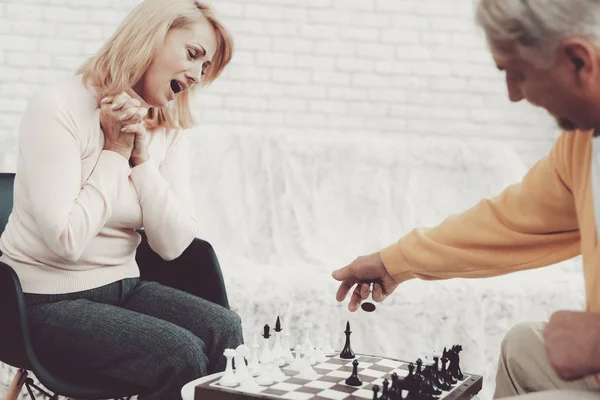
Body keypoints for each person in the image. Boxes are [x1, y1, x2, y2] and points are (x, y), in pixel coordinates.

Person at [332, 1, 600, 399]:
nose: (513, 95)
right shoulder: (581, 144)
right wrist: (394, 262)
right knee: (522, 346)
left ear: (578, 61)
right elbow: (506, 222)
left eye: (517, 74)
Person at [0, 0, 242, 398]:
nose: (197, 75)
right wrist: (114, 150)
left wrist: (141, 160)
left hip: (122, 284)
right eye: (194, 55)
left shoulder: (167, 127)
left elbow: (173, 245)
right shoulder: (58, 105)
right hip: (36, 302)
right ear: (150, 35)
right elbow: (65, 242)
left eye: (205, 69)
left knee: (225, 331)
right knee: (178, 354)